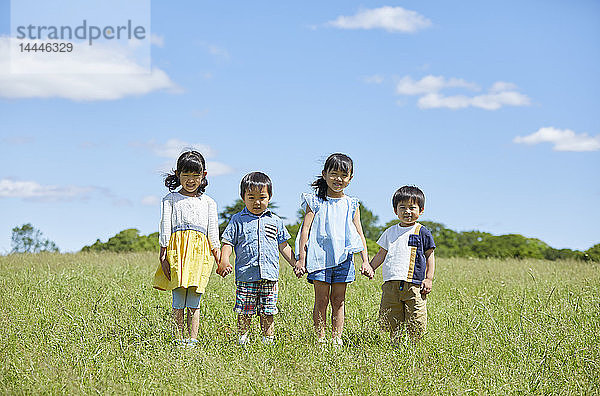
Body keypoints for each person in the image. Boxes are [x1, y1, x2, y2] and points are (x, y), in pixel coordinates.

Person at [295, 153, 372, 347]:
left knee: (339, 300)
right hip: (319, 258)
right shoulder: (315, 201)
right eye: (334, 173)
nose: (338, 179)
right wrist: (301, 258)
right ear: (324, 174)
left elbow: (359, 233)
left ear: (350, 178)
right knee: (321, 300)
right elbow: (305, 230)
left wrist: (365, 260)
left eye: (343, 175)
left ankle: (336, 339)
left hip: (344, 259)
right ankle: (320, 339)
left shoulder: (351, 203)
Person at [217, 172, 296, 345]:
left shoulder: (275, 221)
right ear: (243, 197)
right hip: (246, 275)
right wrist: (224, 260)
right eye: (251, 197)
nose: (257, 202)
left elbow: (284, 246)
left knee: (268, 311)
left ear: (270, 197)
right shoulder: (237, 220)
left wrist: (295, 264)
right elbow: (228, 242)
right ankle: (242, 340)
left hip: (270, 275)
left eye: (262, 197)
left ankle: (267, 340)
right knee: (245, 310)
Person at [153, 150, 220, 348]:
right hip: (177, 251)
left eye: (195, 175)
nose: (190, 180)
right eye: (186, 175)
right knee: (178, 295)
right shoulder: (170, 199)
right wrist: (163, 253)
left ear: (204, 175)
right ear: (177, 174)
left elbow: (213, 233)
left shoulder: (209, 203)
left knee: (195, 297)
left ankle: (192, 339)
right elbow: (165, 225)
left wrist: (219, 259)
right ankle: (177, 338)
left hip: (200, 254)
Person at [364, 185, 436, 341]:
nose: (407, 211)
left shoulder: (422, 231)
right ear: (395, 210)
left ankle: (414, 345)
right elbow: (381, 254)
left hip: (415, 284)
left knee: (416, 317)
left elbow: (430, 255)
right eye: (402, 207)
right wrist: (371, 267)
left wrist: (428, 278)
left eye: (412, 207)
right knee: (391, 316)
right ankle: (394, 343)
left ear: (421, 210)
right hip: (391, 283)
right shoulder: (390, 232)